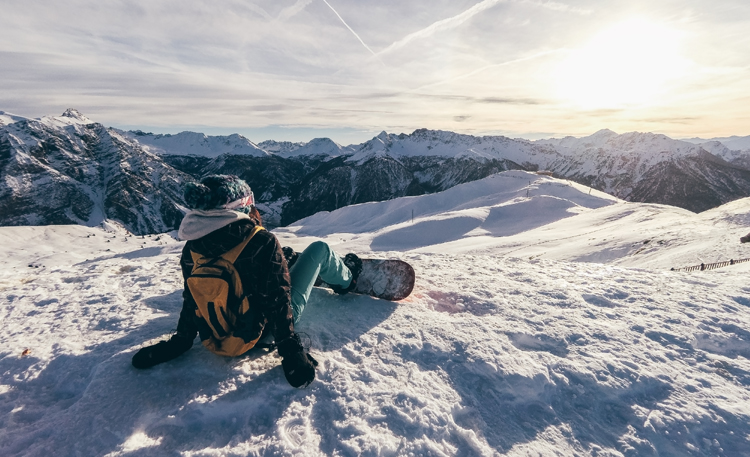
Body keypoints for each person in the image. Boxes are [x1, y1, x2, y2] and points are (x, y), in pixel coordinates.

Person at [131, 175, 362, 388]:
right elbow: (278, 299)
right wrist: (291, 352)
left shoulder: (193, 246)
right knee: (319, 249)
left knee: (279, 263)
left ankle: (291, 262)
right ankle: (347, 280)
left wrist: (180, 342)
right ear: (241, 205)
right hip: (263, 330)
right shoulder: (260, 241)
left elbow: (192, 298)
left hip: (215, 334)